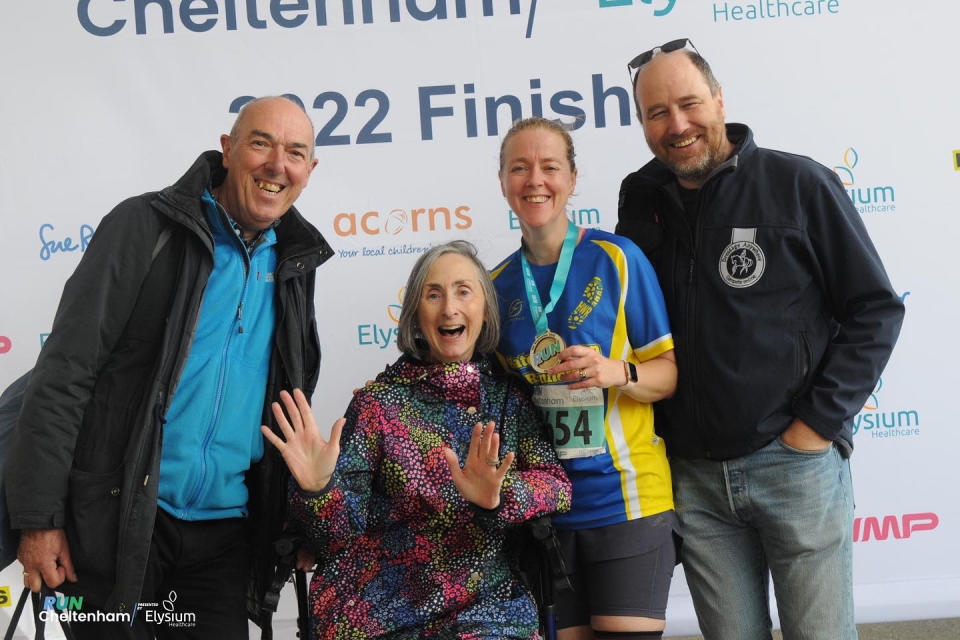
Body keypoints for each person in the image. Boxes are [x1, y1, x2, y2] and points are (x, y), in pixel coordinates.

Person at [5, 96, 333, 639]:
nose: (278, 165)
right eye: (260, 144)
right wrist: (39, 517)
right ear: (227, 150)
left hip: (224, 536)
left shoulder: (295, 261)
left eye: (295, 152)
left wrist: (292, 518)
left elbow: (284, 405)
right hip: (116, 524)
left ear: (310, 170)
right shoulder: (143, 226)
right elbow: (64, 375)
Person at [616, 40, 905, 640]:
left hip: (792, 464)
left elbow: (875, 309)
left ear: (720, 100)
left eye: (690, 103)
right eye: (657, 113)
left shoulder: (798, 184)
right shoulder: (640, 199)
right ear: (642, 123)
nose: (678, 125)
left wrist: (817, 426)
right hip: (693, 478)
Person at [263, 240, 572, 639]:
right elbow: (336, 536)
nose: (449, 308)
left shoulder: (507, 401)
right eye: (433, 294)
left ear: (484, 309)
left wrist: (497, 494)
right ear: (415, 315)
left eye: (464, 291)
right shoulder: (378, 405)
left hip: (486, 609)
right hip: (377, 611)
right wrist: (319, 489)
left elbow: (557, 486)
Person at [491, 117, 679, 640]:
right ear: (503, 181)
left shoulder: (616, 259)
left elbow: (667, 375)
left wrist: (614, 372)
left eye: (550, 167)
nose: (535, 181)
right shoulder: (495, 286)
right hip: (547, 513)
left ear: (572, 178)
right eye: (519, 168)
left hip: (627, 501)